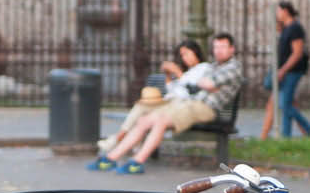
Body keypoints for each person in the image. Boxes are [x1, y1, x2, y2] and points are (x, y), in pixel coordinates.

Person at [99, 32, 242, 174]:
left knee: (161, 120)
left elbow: (208, 84)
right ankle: (111, 157)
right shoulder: (213, 66)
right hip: (189, 103)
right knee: (144, 119)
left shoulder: (234, 67)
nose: (218, 51)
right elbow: (202, 84)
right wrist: (204, 84)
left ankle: (136, 162)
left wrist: (204, 83)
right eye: (216, 47)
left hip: (206, 108)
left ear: (232, 49)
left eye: (223, 47)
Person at [89, 40, 208, 168]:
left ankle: (119, 143)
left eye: (187, 53)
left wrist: (178, 73)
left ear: (196, 52)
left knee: (144, 112)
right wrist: (168, 75)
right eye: (182, 55)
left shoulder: (204, 68)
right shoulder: (188, 71)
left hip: (182, 106)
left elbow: (191, 91)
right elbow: (173, 90)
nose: (184, 58)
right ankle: (120, 150)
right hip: (171, 103)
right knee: (141, 112)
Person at [270, 1, 310, 139]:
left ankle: (309, 129)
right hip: (287, 71)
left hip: (293, 71)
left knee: (285, 105)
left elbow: (297, 53)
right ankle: (286, 135)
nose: (277, 14)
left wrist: (283, 69)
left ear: (286, 11)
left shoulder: (295, 28)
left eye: (279, 11)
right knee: (286, 104)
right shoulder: (286, 28)